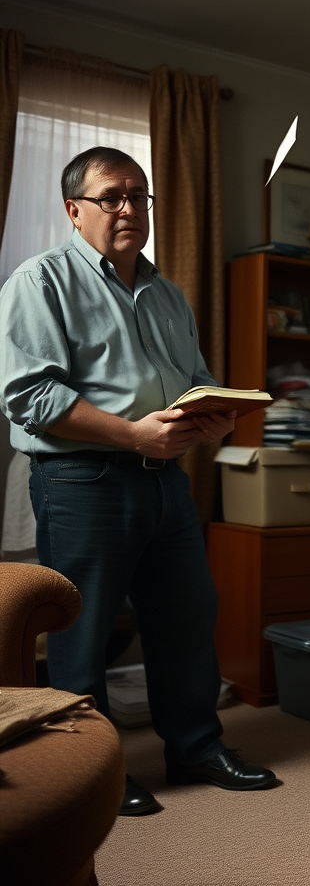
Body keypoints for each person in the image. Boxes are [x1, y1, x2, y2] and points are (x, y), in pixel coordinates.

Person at [0, 146, 276, 815]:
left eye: (139, 196)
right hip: (82, 479)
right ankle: (92, 766)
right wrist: (131, 433)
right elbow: (28, 396)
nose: (129, 208)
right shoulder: (39, 283)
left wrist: (212, 411)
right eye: (111, 197)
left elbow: (195, 378)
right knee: (83, 630)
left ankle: (196, 747)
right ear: (74, 210)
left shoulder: (168, 293)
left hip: (165, 481)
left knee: (187, 617)